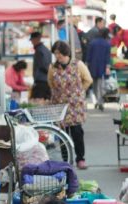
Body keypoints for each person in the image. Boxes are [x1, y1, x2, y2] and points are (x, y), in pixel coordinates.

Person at [48, 40, 93, 170]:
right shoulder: (53, 67)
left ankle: (80, 159)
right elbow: (50, 83)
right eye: (55, 53)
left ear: (65, 52)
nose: (58, 56)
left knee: (77, 132)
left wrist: (79, 92)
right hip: (60, 106)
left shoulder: (78, 65)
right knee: (62, 134)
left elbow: (88, 80)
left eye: (59, 53)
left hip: (76, 106)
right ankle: (66, 160)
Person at [86, 28, 112, 111]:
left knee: (94, 85)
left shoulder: (93, 43)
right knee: (101, 85)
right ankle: (100, 102)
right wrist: (108, 67)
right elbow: (108, 57)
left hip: (93, 66)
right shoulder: (107, 44)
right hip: (102, 67)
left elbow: (89, 55)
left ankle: (98, 100)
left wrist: (86, 65)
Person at [30, 32, 53, 100]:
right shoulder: (45, 49)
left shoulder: (39, 51)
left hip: (41, 80)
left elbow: (42, 65)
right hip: (46, 79)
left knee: (35, 101)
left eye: (31, 40)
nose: (32, 42)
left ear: (34, 40)